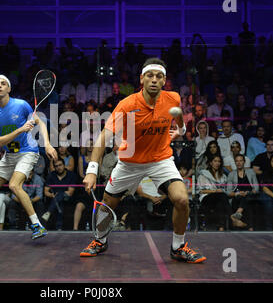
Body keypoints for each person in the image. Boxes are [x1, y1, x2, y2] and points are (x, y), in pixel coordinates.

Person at [80, 58, 206, 263]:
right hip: (129, 163)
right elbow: (104, 136)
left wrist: (180, 130)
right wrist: (92, 169)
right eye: (150, 75)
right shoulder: (127, 105)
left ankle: (178, 246)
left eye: (158, 76)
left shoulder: (173, 98)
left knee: (182, 199)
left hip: (161, 160)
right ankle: (100, 241)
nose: (154, 80)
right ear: (142, 79)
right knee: (106, 205)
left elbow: (178, 115)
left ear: (164, 80)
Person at [0, 74, 57, 240]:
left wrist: (47, 144)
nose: (0, 85)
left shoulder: (21, 105)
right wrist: (20, 129)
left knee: (14, 185)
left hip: (28, 151)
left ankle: (37, 225)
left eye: (3, 83)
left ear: (9, 89)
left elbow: (41, 123)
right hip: (9, 154)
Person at [226, 154, 260, 231]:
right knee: (246, 202)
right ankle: (249, 227)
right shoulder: (231, 174)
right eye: (237, 161)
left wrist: (248, 192)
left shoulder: (251, 172)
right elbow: (228, 192)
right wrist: (237, 193)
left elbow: (256, 188)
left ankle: (239, 212)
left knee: (248, 198)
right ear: (235, 162)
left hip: (250, 195)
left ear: (244, 162)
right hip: (237, 197)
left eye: (240, 160)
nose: (239, 163)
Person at [197, 155, 231, 231]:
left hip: (219, 198)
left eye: (219, 161)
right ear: (210, 163)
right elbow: (200, 190)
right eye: (215, 161)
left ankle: (221, 227)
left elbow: (225, 189)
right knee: (221, 196)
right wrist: (214, 191)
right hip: (206, 198)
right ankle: (232, 217)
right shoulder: (203, 175)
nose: (217, 163)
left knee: (220, 203)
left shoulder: (223, 176)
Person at [42, 158, 77, 230]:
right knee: (59, 203)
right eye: (56, 166)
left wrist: (57, 195)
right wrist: (52, 195)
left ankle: (49, 212)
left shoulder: (71, 175)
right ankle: (59, 227)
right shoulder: (51, 175)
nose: (58, 167)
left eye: (60, 165)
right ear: (54, 168)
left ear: (64, 165)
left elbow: (70, 193)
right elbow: (46, 192)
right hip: (54, 198)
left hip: (68, 198)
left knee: (60, 195)